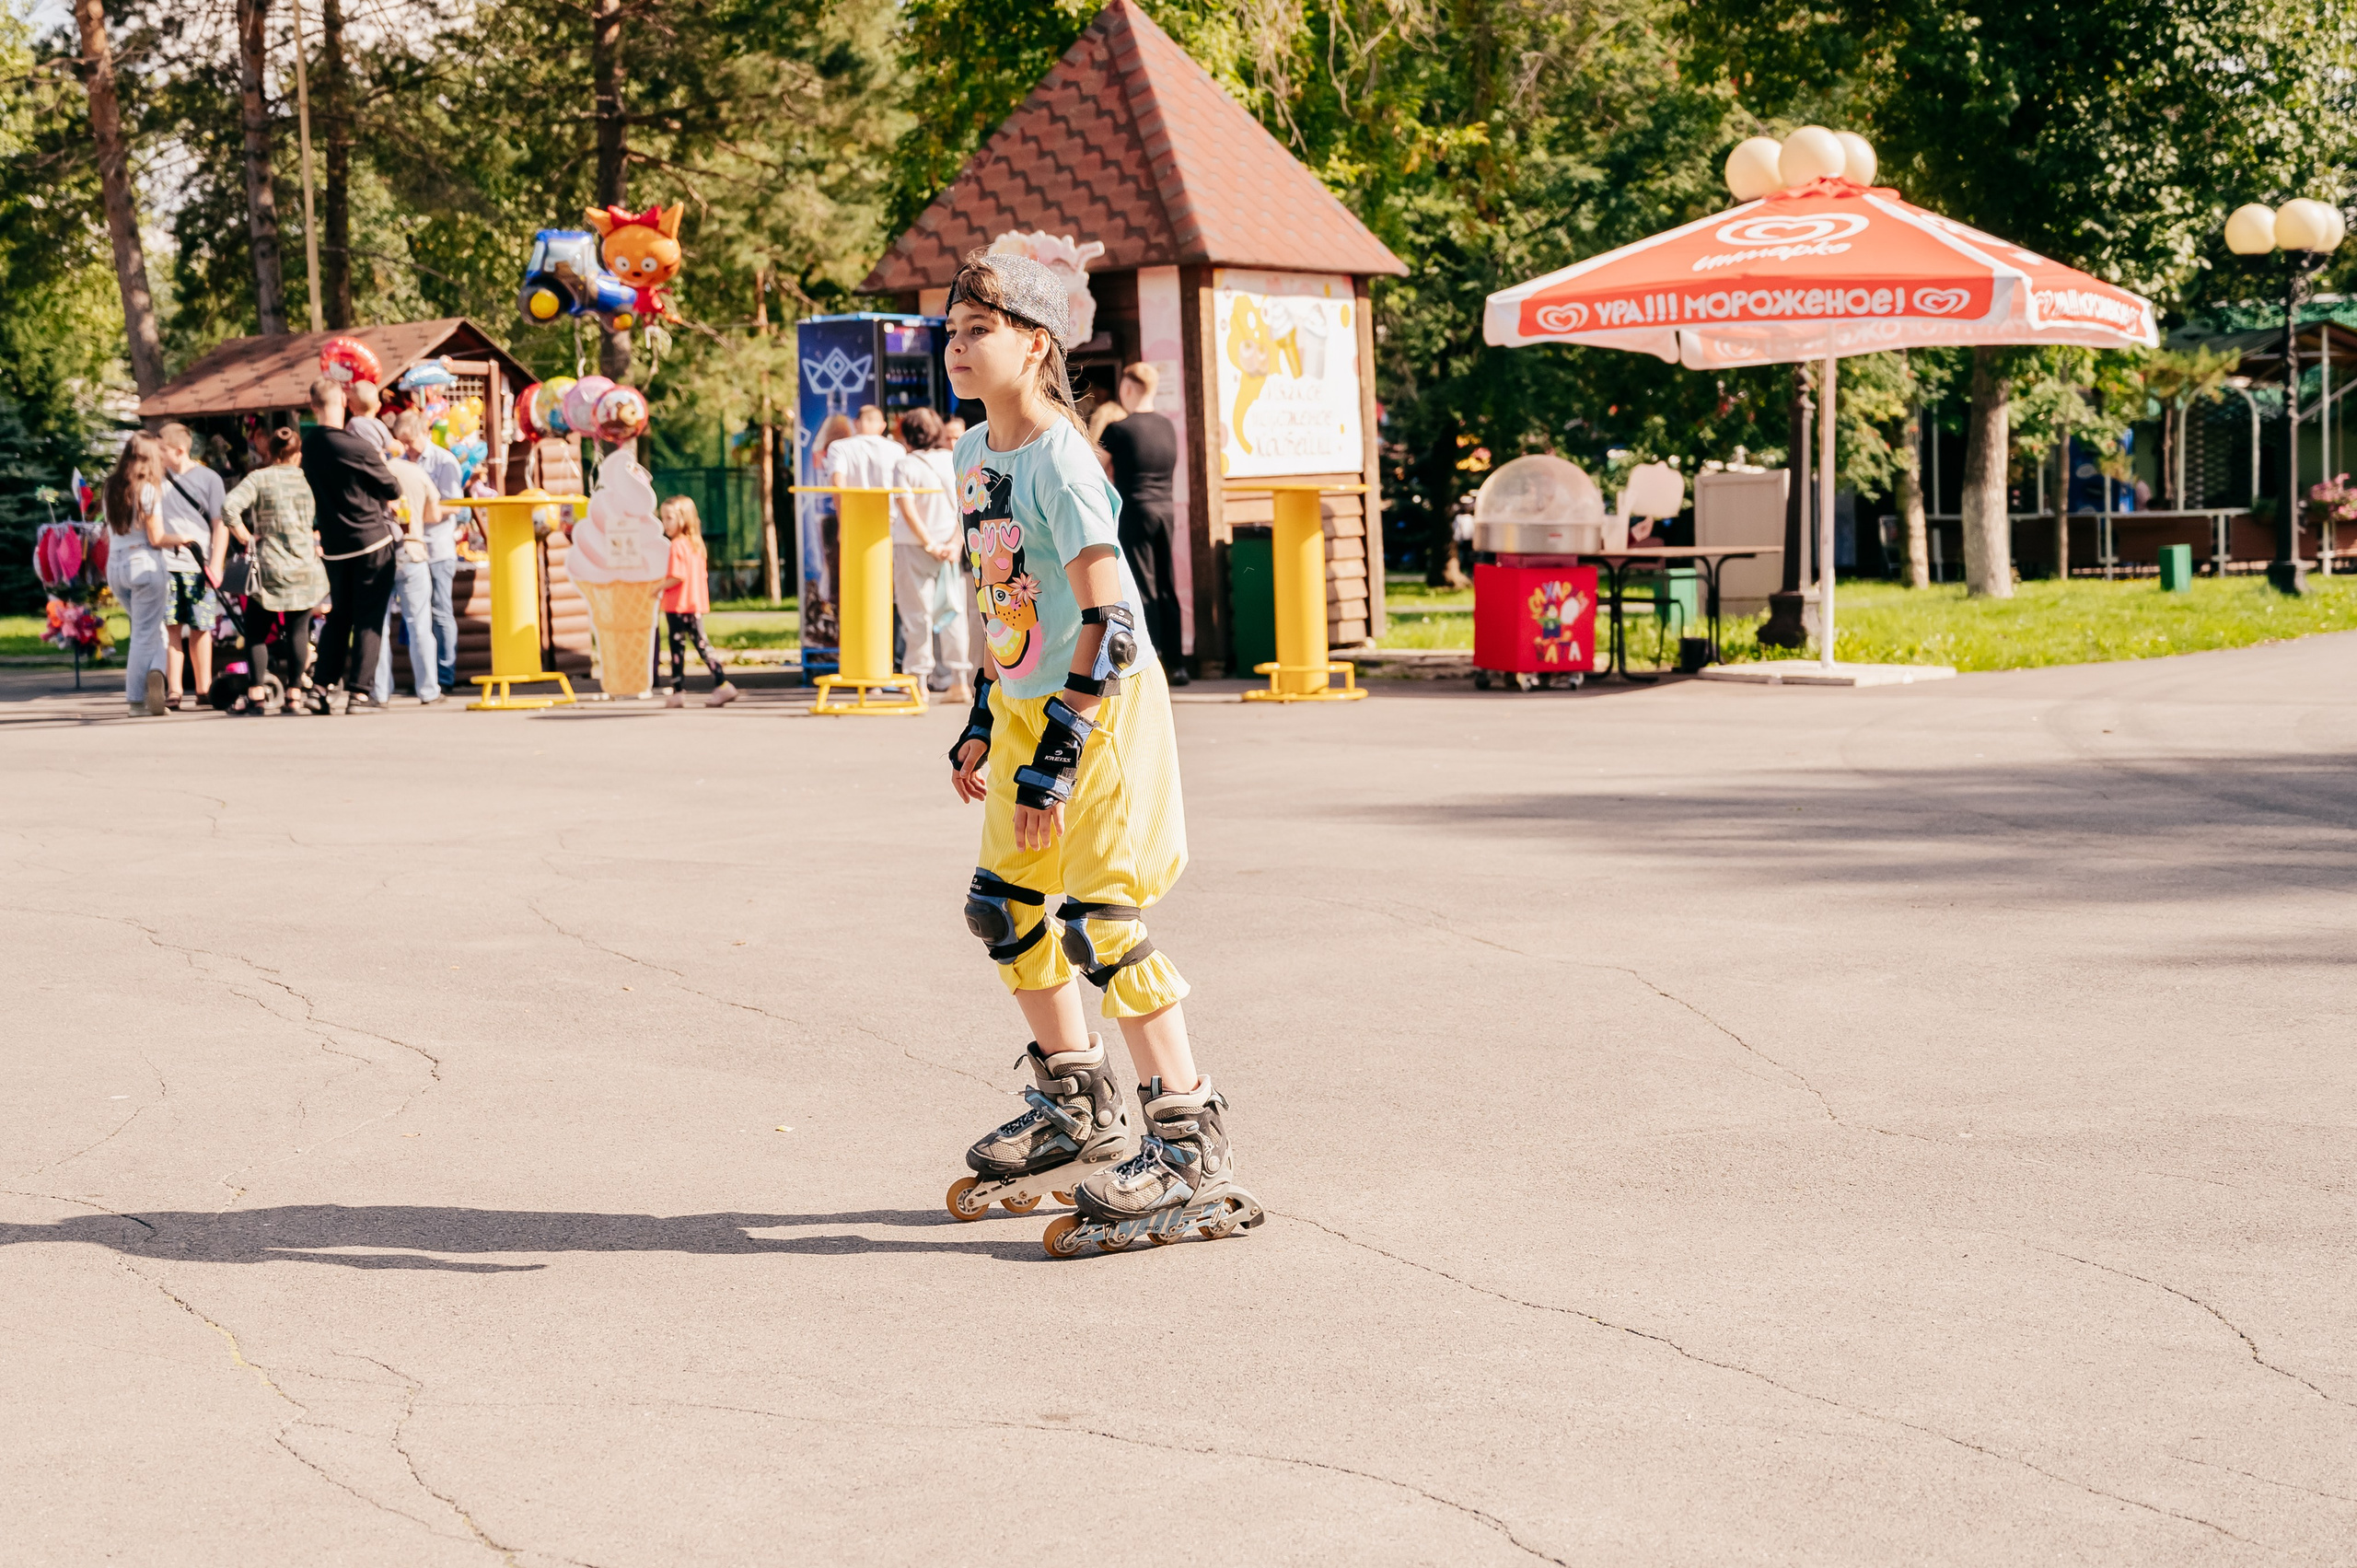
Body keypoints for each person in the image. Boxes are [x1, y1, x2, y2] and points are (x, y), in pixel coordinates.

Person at [938, 250, 1257, 1254]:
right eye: (950, 333)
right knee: (1004, 906)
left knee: (1101, 920)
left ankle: (1188, 1134)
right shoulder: (971, 458)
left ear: (1034, 342)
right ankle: (1076, 1102)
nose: (955, 348)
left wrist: (1060, 744)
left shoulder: (1063, 459)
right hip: (1030, 703)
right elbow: (1006, 600)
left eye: (975, 330)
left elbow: (1111, 620)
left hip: (1099, 706)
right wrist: (989, 713)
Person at [301, 377, 403, 712]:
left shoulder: (310, 447)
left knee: (339, 617)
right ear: (344, 404)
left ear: (313, 404)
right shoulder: (356, 447)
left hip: (334, 544)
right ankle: (359, 692)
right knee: (369, 619)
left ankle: (319, 688)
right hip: (371, 541)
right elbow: (393, 488)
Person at [216, 422, 329, 714]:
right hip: (305, 563)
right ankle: (293, 694)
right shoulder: (311, 479)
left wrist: (245, 538)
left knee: (256, 632)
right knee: (298, 631)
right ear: (297, 454)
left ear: (272, 451)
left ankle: (256, 696)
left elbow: (229, 506)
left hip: (270, 566)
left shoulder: (260, 479)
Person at [1096, 364, 1188, 685]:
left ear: (1128, 389)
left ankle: (1156, 657)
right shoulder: (1167, 426)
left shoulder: (1119, 429)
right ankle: (1178, 664)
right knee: (1166, 584)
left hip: (1135, 509)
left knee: (1143, 585)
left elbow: (1094, 467)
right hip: (1166, 509)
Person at [102, 433, 203, 716]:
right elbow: (156, 537)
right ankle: (136, 700)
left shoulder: (110, 486)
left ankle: (157, 671)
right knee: (144, 634)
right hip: (144, 564)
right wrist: (182, 537)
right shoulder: (148, 488)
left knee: (151, 628)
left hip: (116, 566)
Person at [890, 406, 972, 703]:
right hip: (950, 548)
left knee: (917, 614)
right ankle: (959, 681)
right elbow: (967, 505)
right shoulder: (953, 461)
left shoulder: (905, 465)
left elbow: (906, 507)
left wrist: (928, 544)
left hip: (913, 547)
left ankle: (919, 682)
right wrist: (953, 543)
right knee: (954, 612)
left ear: (907, 434)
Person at [370, 419, 445, 705]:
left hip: (379, 553)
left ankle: (379, 691)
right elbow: (434, 515)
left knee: (378, 625)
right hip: (413, 551)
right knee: (420, 624)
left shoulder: (372, 474)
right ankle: (429, 689)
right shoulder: (415, 472)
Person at [157, 423, 226, 709]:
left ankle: (203, 688)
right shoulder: (157, 481)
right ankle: (174, 689)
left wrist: (217, 564)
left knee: (200, 628)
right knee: (172, 627)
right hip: (167, 564)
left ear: (179, 450)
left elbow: (220, 523)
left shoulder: (209, 479)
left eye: (162, 451)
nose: (157, 457)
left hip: (199, 564)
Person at [397, 412, 464, 694]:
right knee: (416, 616)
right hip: (411, 547)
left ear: (422, 433)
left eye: (410, 442)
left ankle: (446, 673)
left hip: (437, 547)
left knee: (440, 611)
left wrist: (424, 511)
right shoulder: (400, 463)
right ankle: (426, 676)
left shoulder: (444, 461)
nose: (407, 449)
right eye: (403, 444)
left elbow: (456, 505)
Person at [656, 495, 738, 707]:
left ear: (684, 518)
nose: (665, 523)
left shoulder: (676, 546)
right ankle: (713, 685)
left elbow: (677, 575)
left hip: (678, 605)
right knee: (700, 645)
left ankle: (682, 690)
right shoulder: (696, 544)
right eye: (663, 517)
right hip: (693, 604)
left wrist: (657, 587)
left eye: (669, 518)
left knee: (678, 648)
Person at [345, 379, 392, 454]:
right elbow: (395, 448)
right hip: (377, 461)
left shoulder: (351, 425)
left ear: (351, 407)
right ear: (378, 406)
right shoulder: (379, 426)